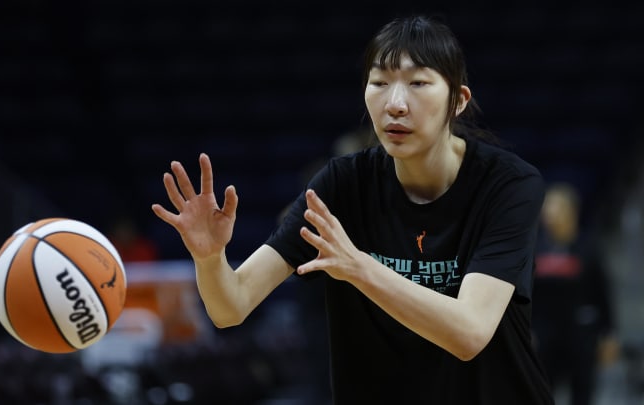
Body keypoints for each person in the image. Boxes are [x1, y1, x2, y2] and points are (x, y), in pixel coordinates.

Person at [152, 15, 555, 404]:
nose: (395, 104)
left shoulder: (508, 186)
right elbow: (230, 307)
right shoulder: (342, 184)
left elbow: (469, 333)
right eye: (379, 82)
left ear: (458, 100)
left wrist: (359, 267)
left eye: (418, 83)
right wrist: (209, 257)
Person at [532, 182, 619, 405]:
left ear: (571, 212)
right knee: (542, 393)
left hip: (580, 333)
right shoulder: (535, 248)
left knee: (582, 395)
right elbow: (527, 295)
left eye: (556, 208)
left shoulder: (588, 248)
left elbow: (602, 293)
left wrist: (609, 334)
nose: (549, 214)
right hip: (546, 335)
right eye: (547, 208)